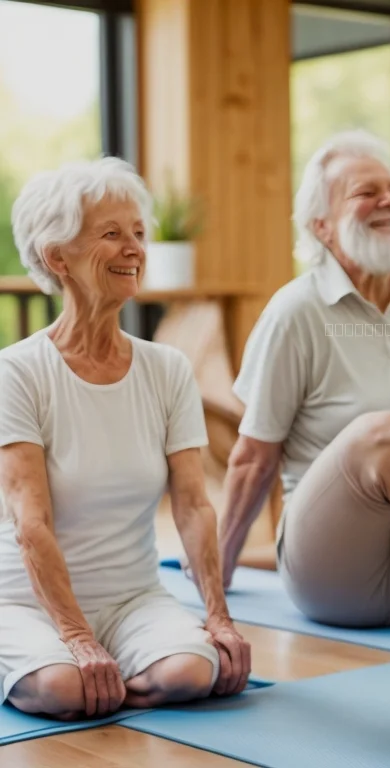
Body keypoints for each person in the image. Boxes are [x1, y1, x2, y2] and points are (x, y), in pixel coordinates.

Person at [0, 157, 250, 721]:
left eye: (139, 233)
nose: (134, 248)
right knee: (64, 689)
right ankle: (82, 668)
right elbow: (30, 524)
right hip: (25, 602)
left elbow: (192, 505)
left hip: (133, 598)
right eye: (111, 234)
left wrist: (217, 616)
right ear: (56, 256)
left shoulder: (167, 369)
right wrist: (77, 636)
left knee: (193, 671)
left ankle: (112, 677)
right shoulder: (17, 372)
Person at [217, 130, 390, 627]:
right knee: (381, 439)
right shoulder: (296, 312)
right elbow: (253, 458)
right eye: (365, 193)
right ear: (322, 227)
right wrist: (216, 568)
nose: (389, 201)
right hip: (336, 558)